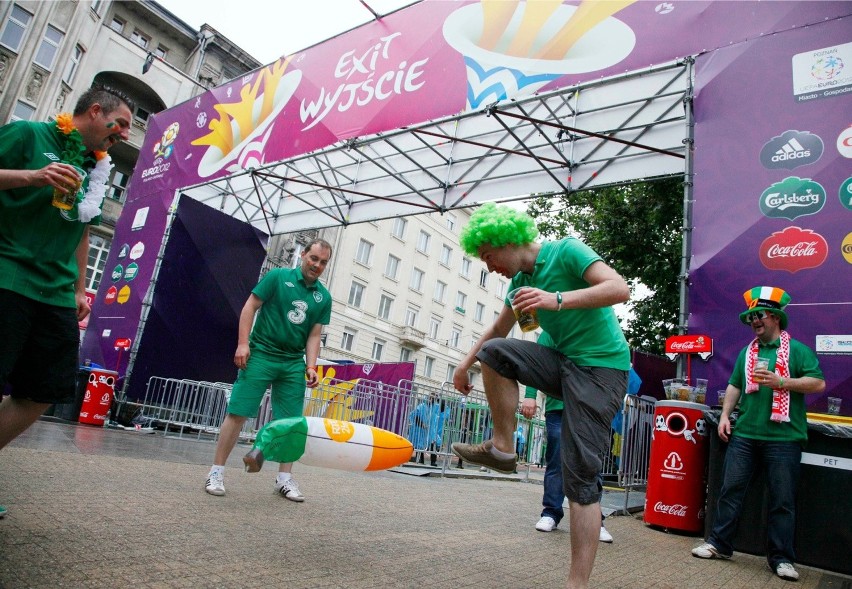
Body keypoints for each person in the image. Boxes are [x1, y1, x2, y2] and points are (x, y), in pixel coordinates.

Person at [450, 203, 630, 589]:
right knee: (495, 353)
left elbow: (620, 288)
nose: (489, 267)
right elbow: (498, 331)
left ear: (504, 240)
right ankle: (502, 447)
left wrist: (556, 299)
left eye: (488, 256)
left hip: (602, 369)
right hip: (563, 362)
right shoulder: (518, 288)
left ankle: (576, 583)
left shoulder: (566, 251)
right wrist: (464, 365)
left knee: (580, 476)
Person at [0, 86, 133, 518]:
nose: (126, 135)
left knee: (45, 390)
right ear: (95, 112)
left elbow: (83, 227)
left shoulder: (95, 169)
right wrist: (33, 176)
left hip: (57, 291)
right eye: (123, 124)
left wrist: (79, 287)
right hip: (9, 276)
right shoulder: (30, 135)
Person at [691, 286, 824, 581]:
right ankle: (719, 544)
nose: (754, 321)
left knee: (782, 500)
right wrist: (725, 415)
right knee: (730, 491)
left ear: (776, 317)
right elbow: (735, 385)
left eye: (759, 315)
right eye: (751, 316)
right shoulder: (747, 353)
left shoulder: (798, 351)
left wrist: (783, 381)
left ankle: (781, 559)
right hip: (745, 435)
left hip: (785, 438)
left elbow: (817, 384)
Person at [204, 239, 333, 502]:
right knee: (238, 412)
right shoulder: (277, 277)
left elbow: (314, 335)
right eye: (313, 258)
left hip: (292, 362)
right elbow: (250, 306)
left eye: (323, 262)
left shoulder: (324, 297)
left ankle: (284, 479)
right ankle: (216, 473)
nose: (317, 265)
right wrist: (243, 343)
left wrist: (311, 366)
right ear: (304, 255)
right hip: (261, 353)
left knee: (292, 423)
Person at [523, 332, 636, 543]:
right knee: (556, 460)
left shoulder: (596, 325)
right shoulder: (552, 330)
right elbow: (534, 361)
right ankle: (551, 513)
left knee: (591, 463)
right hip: (559, 406)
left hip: (589, 407)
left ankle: (595, 522)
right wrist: (530, 396)